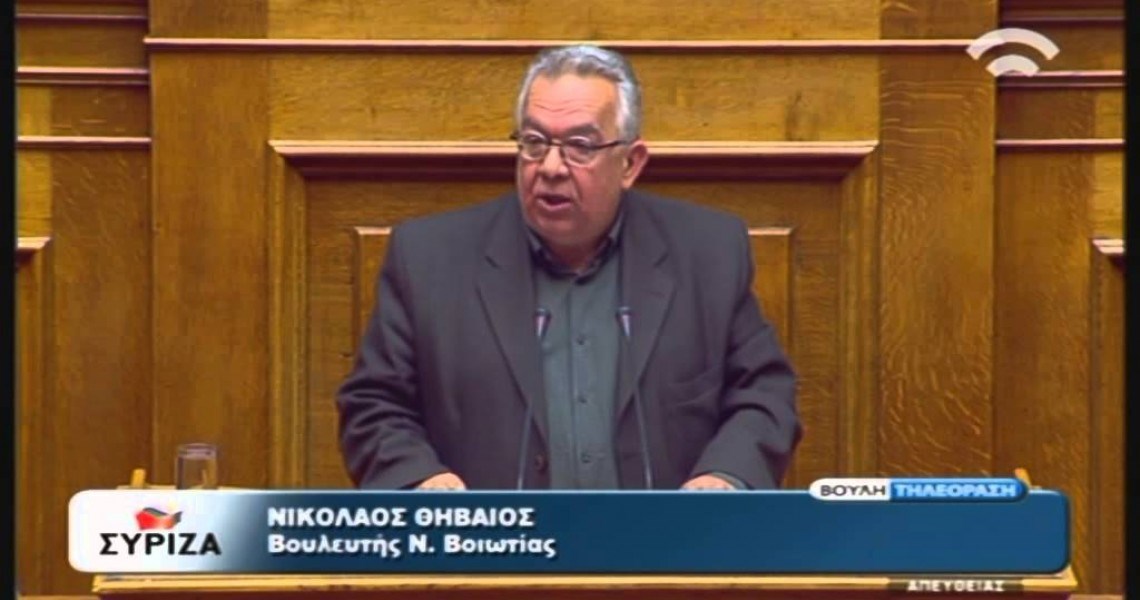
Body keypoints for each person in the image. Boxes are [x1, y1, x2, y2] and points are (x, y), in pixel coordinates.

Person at [337, 44, 801, 491]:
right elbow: (374, 406)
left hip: (666, 541)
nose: (551, 167)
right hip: (495, 541)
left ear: (630, 163)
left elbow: (763, 394)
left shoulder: (706, 252)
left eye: (580, 145)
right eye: (535, 143)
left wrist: (724, 477)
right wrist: (421, 481)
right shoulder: (431, 259)